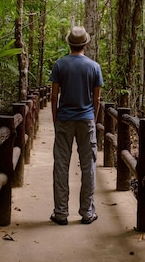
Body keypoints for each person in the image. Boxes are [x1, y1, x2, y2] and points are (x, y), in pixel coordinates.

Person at [49, 26, 103, 225]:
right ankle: (87, 212)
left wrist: (56, 118)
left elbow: (54, 96)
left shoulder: (59, 65)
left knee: (61, 165)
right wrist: (93, 118)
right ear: (86, 44)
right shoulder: (94, 67)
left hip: (64, 119)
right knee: (88, 165)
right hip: (86, 120)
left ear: (69, 43)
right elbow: (96, 98)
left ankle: (61, 213)